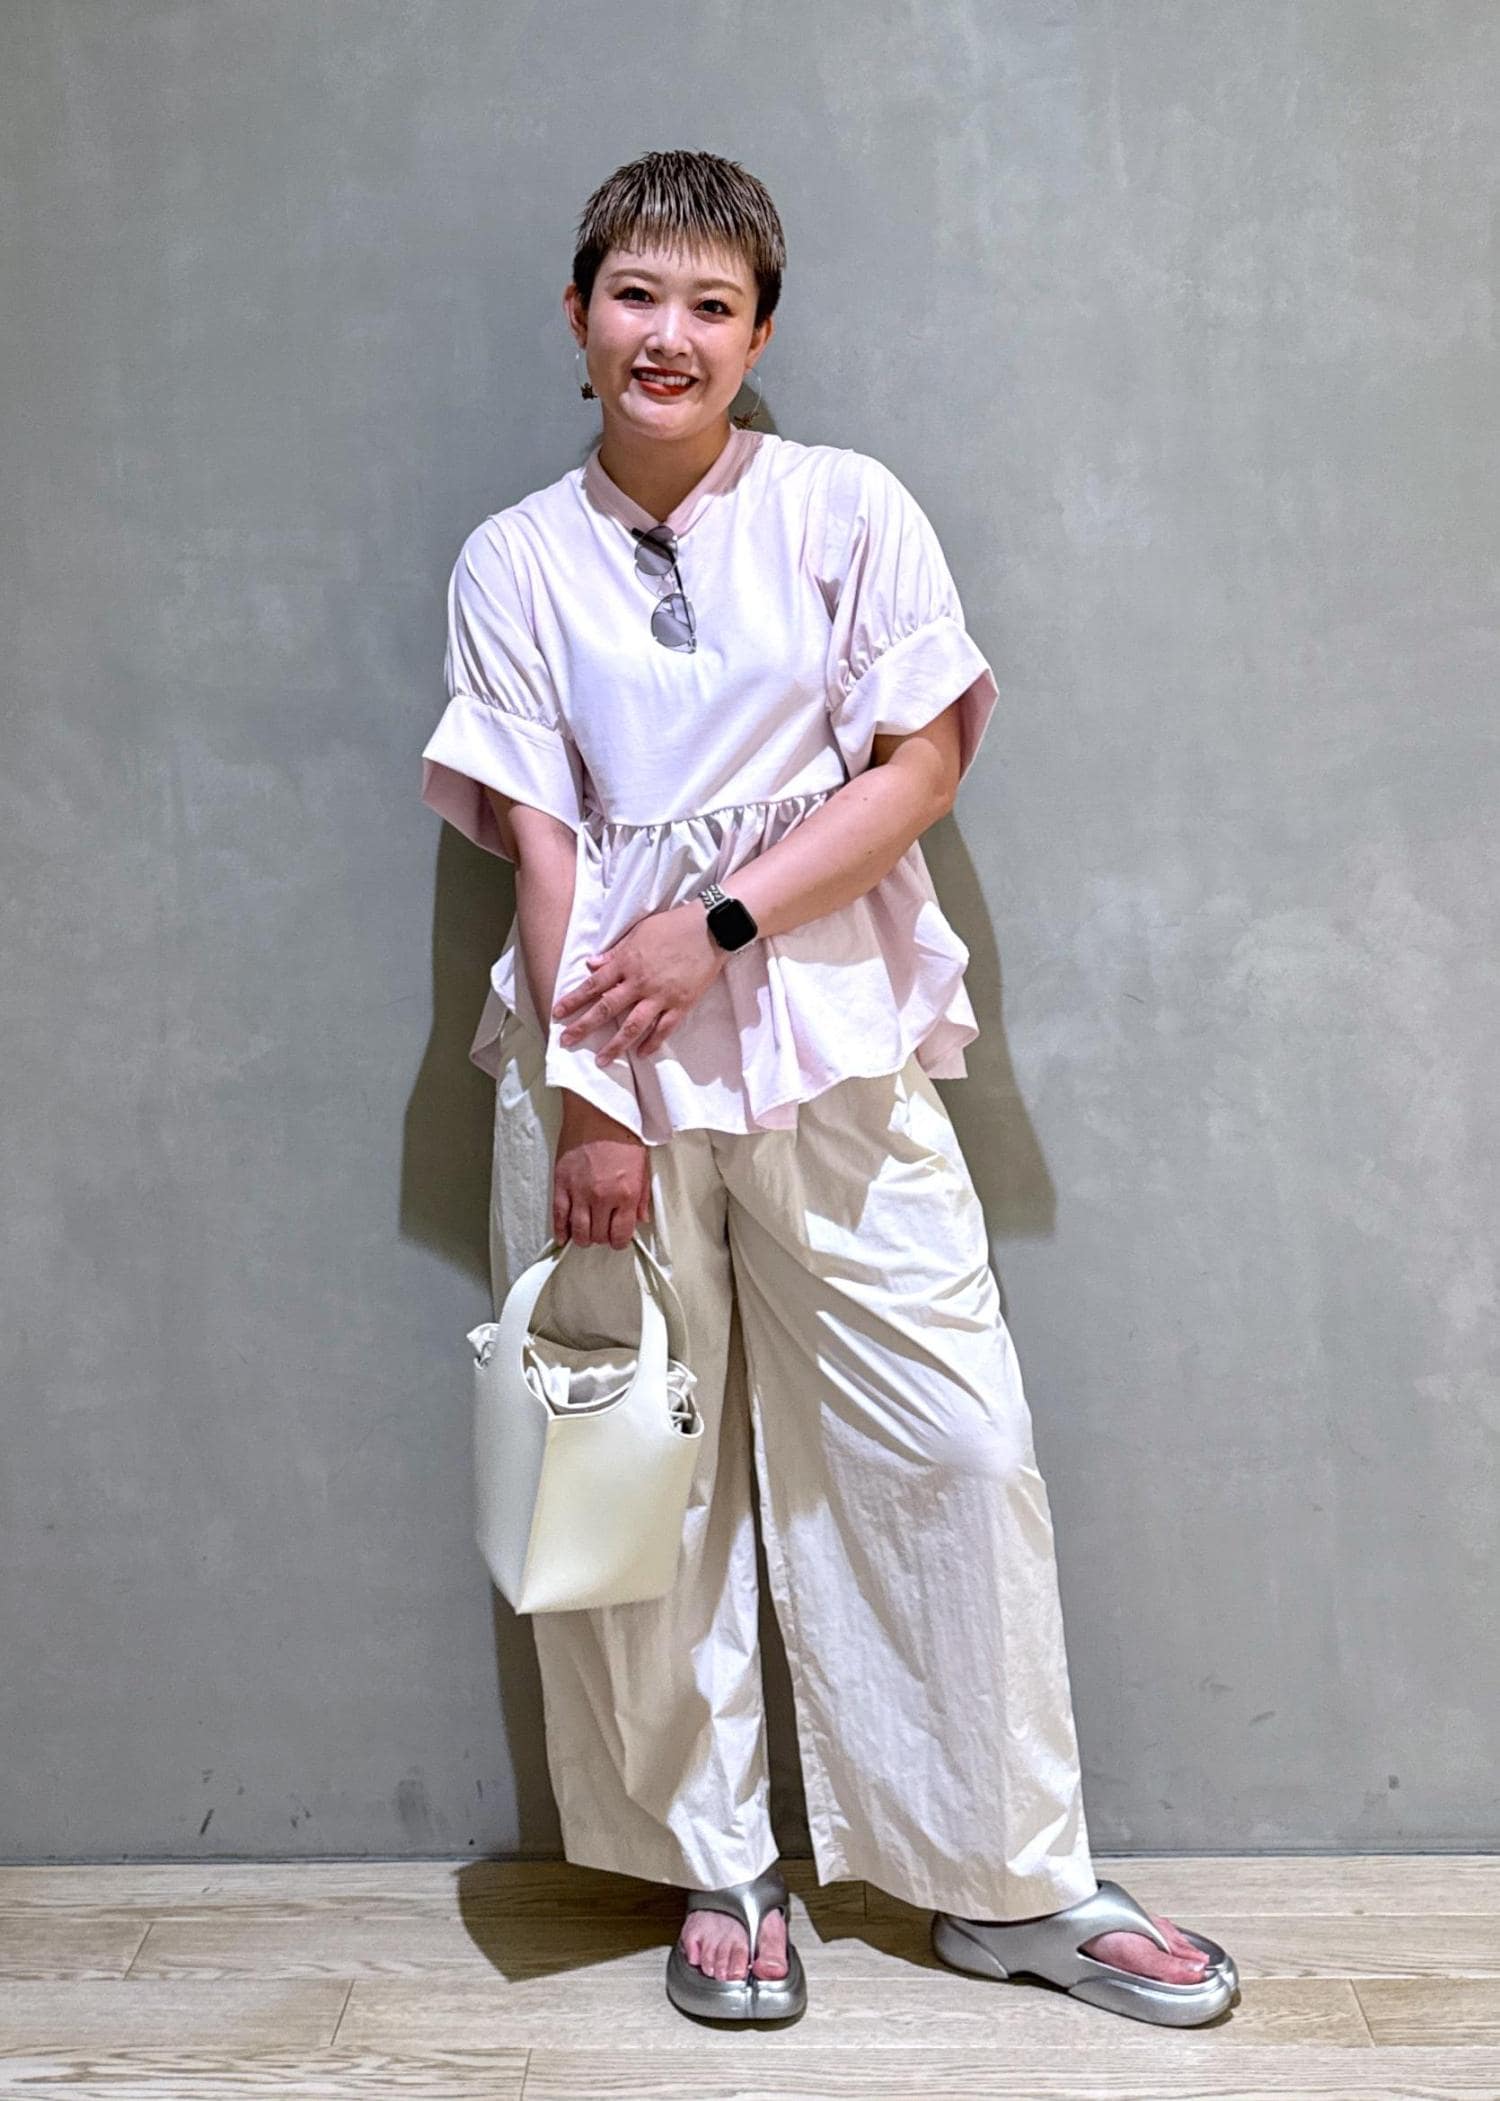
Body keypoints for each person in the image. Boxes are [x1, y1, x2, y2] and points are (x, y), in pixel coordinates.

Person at [421, 148, 1238, 2028]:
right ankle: (717, 1863)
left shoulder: (847, 509)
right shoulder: (513, 559)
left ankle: (1009, 1876)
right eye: (637, 295)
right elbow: (542, 845)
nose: (670, 334)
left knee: (955, 1442)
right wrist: (592, 1095)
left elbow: (918, 769)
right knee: (641, 1475)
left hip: (835, 1038)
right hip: (609, 1070)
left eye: (711, 305)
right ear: (578, 314)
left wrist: (714, 924)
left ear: (759, 333)